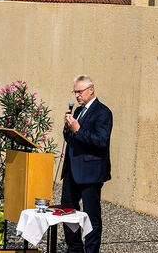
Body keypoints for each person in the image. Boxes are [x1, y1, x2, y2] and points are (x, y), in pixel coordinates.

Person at [61, 74, 113, 253]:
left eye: (80, 91)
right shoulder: (78, 111)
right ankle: (75, 248)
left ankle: (91, 250)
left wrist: (78, 129)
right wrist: (67, 128)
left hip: (90, 172)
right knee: (68, 212)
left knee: (91, 216)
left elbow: (101, 141)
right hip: (71, 171)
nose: (77, 95)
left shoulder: (103, 112)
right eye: (75, 92)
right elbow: (71, 139)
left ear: (91, 90)